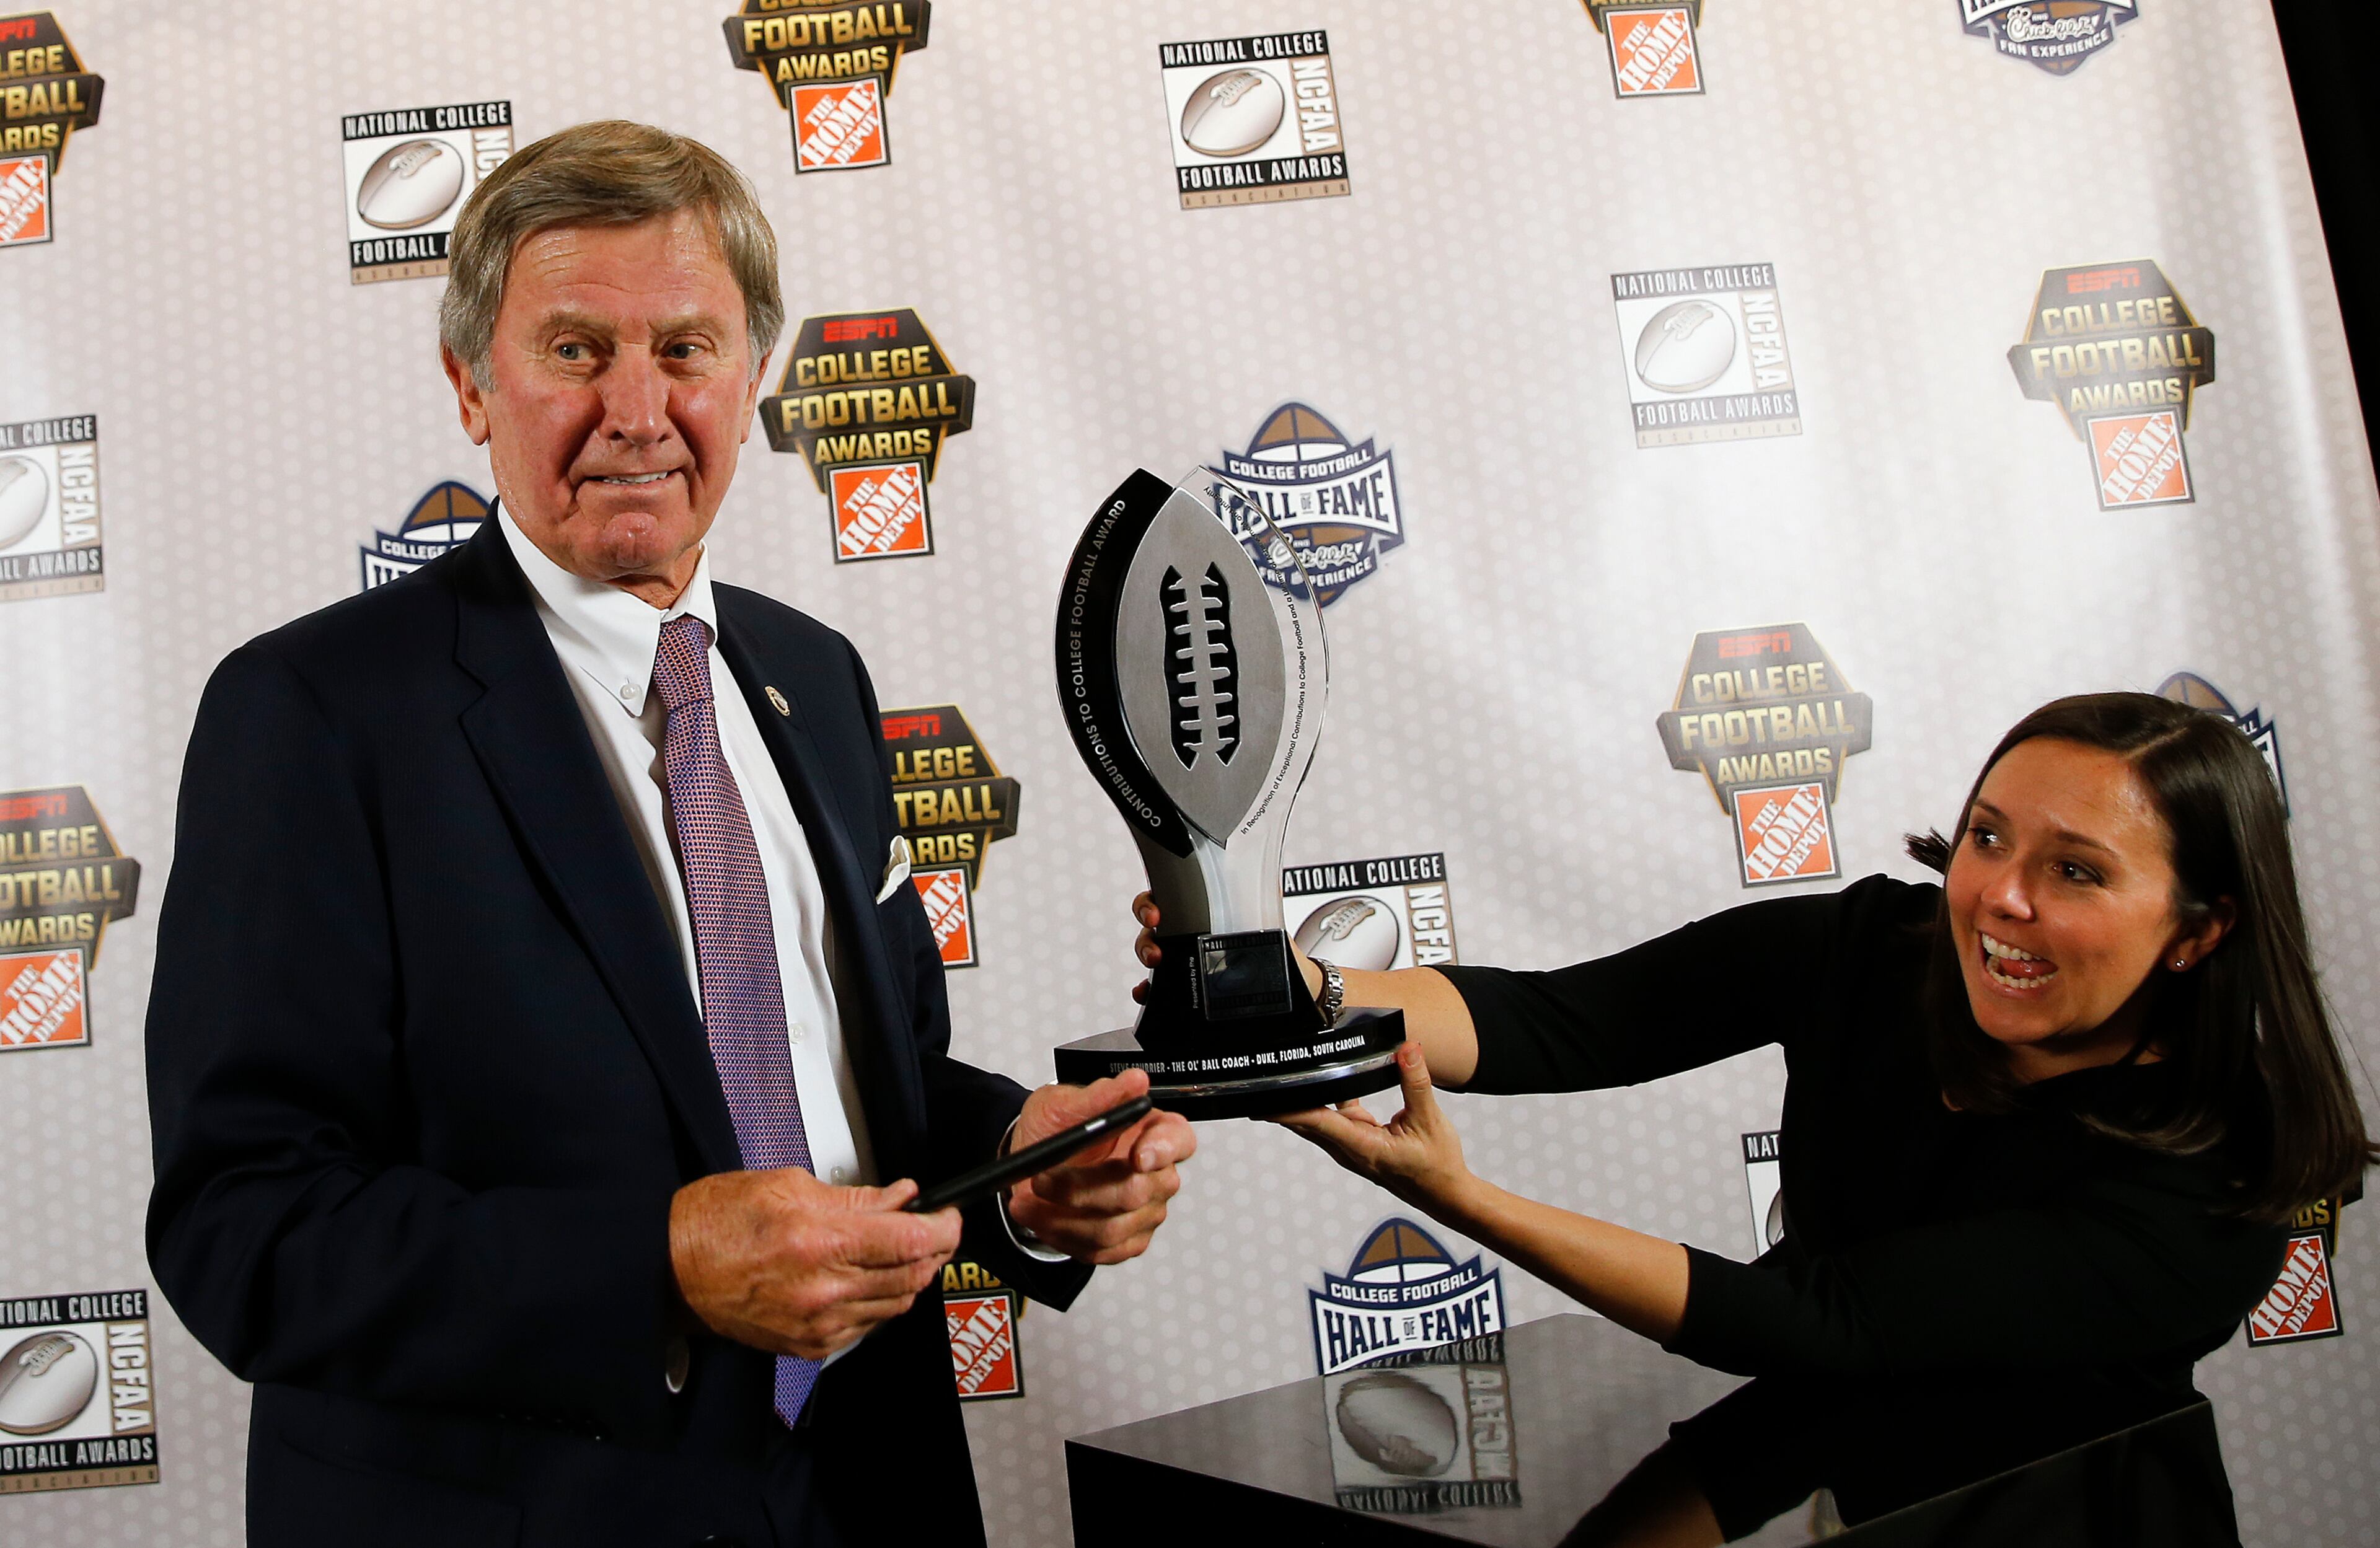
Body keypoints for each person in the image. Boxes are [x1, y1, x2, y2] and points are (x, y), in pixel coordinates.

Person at [146, 121, 1194, 1548]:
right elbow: (243, 1227)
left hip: (867, 1494)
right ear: (470, 383)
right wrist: (658, 1266)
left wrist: (1019, 1164)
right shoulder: (315, 711)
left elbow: (853, 1089)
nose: (638, 408)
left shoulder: (813, 678)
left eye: (687, 349)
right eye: (576, 349)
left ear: (754, 374)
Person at [1137, 692, 2373, 1393]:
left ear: (2199, 932)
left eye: (2076, 871)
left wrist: (1460, 1197)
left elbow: (1823, 1323)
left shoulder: (2221, 1182)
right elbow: (1560, 1019)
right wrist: (1292, 985)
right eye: (1989, 838)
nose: (2001, 896)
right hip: (1840, 1483)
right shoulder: (1879, 948)